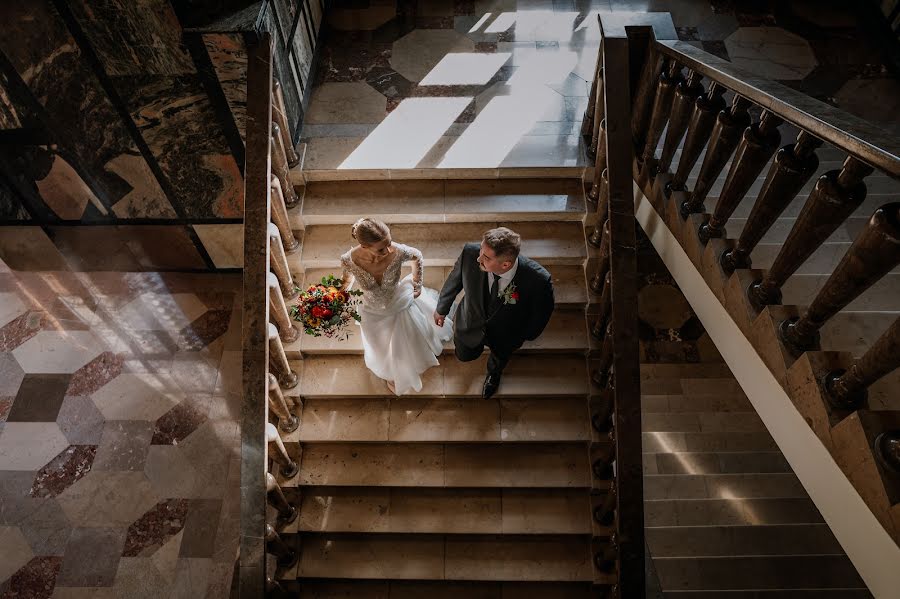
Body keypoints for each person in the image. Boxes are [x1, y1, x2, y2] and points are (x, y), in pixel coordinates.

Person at [434, 227, 554, 399]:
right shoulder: (470, 253)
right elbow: (455, 279)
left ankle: (493, 376)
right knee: (465, 354)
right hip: (469, 321)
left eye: (486, 257)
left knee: (499, 359)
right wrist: (441, 308)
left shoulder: (538, 280)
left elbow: (541, 313)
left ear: (505, 264)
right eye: (481, 250)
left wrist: (524, 335)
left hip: (506, 334)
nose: (478, 258)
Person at [340, 218, 452, 395]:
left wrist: (417, 282)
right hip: (371, 309)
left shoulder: (398, 252)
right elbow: (347, 280)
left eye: (389, 243)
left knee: (405, 340)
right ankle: (390, 370)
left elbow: (417, 256)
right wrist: (337, 296)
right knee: (379, 345)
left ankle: (405, 366)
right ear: (364, 246)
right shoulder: (348, 260)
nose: (388, 250)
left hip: (398, 302)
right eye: (381, 248)